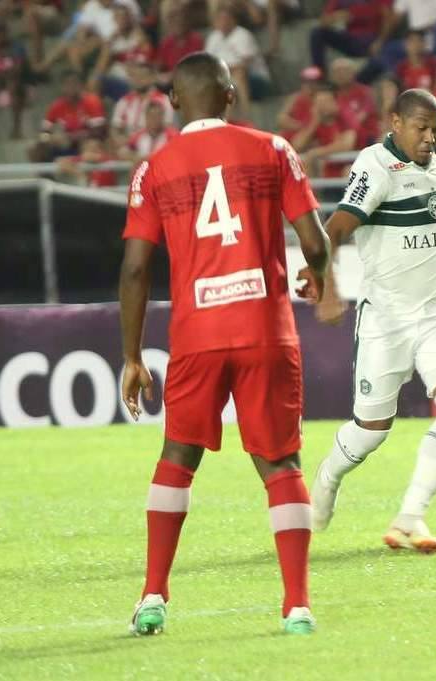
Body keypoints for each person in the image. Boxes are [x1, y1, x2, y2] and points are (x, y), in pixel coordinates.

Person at [119, 51, 330, 636]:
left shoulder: (154, 168)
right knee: (281, 463)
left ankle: (154, 595)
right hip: (266, 329)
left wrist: (133, 357)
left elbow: (135, 269)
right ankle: (296, 606)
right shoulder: (274, 149)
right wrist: (320, 278)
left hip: (197, 335)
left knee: (178, 458)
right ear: (232, 96)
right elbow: (313, 239)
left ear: (174, 102)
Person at [308, 89, 436, 552]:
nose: (430, 137)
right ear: (396, 124)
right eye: (420, 128)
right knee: (370, 432)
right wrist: (327, 287)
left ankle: (410, 516)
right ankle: (328, 474)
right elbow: (338, 227)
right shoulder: (374, 166)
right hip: (388, 318)